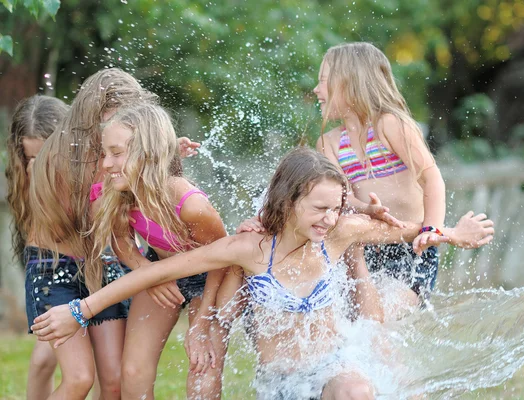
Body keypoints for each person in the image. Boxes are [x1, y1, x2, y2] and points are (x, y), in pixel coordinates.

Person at [32, 147, 494, 399]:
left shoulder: (338, 233)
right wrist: (82, 308)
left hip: (335, 367)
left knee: (356, 391)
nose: (329, 219)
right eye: (319, 209)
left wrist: (454, 233)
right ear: (288, 201)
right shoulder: (249, 249)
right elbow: (161, 272)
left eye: (336, 208)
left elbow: (410, 230)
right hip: (283, 383)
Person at [90, 102, 234, 399]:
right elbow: (121, 242)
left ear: (148, 153)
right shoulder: (122, 194)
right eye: (105, 154)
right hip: (159, 267)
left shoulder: (191, 206)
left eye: (116, 153)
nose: (105, 164)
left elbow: (225, 258)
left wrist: (202, 323)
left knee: (202, 366)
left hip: (214, 275)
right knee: (133, 370)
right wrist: (149, 273)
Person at [313, 42, 469, 304]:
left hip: (412, 248)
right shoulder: (328, 143)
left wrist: (432, 230)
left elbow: (431, 178)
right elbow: (341, 198)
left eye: (324, 81)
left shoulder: (390, 124)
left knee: (387, 317)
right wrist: (366, 208)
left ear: (352, 83)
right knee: (361, 322)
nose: (316, 89)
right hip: (365, 248)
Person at [6, 95, 67, 399]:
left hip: (94, 264)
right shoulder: (25, 179)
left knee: (98, 368)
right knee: (44, 360)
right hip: (50, 268)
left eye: (45, 157)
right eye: (30, 158)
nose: (38, 166)